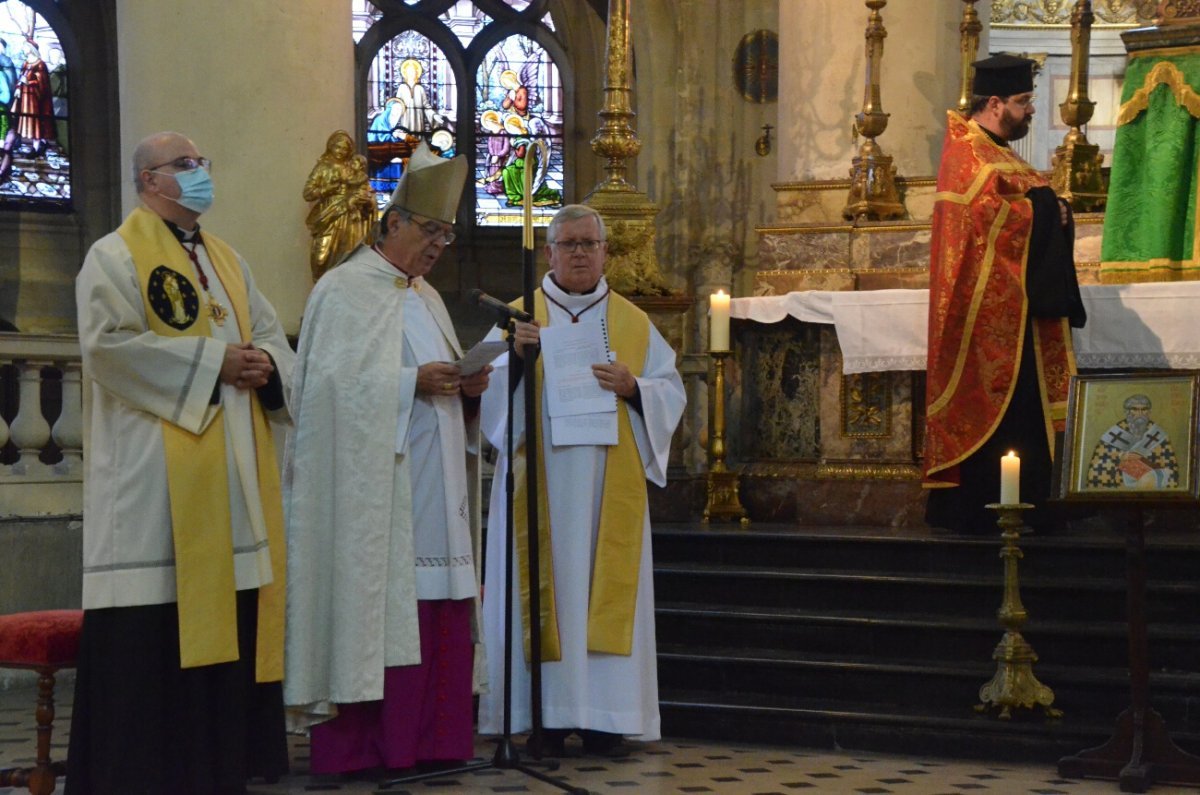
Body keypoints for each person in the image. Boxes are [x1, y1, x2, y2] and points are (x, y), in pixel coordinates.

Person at [67, 131, 293, 794]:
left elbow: (274, 338)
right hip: (152, 496)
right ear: (148, 180)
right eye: (185, 165)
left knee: (224, 641)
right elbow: (107, 349)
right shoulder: (112, 257)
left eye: (203, 163)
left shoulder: (227, 261)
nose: (200, 174)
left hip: (231, 485)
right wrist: (212, 362)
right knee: (152, 646)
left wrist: (265, 365)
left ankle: (216, 772)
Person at [283, 142, 489, 775]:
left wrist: (468, 389)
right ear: (393, 221)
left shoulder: (425, 297)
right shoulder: (344, 292)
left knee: (443, 602)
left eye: (447, 236)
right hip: (379, 495)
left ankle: (435, 740)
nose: (435, 246)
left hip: (438, 485)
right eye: (430, 230)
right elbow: (319, 396)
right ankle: (373, 745)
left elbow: (442, 383)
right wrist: (409, 384)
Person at [477, 204, 686, 756]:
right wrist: (518, 360)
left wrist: (635, 386)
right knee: (542, 589)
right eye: (567, 244)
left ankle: (603, 718)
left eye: (587, 244)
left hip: (603, 487)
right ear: (548, 253)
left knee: (599, 588)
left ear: (605, 252)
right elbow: (487, 399)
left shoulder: (633, 322)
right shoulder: (520, 317)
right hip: (538, 483)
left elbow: (671, 392)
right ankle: (538, 717)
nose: (577, 253)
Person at [923, 55, 1085, 534]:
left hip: (1024, 313)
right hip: (987, 318)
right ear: (994, 103)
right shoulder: (966, 154)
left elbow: (1025, 208)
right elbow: (985, 221)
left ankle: (1034, 502)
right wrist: (1042, 207)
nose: (1031, 111)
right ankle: (979, 508)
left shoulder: (999, 153)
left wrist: (1052, 209)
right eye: (1023, 102)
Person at [302, 130, 375, 281]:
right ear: (330, 147)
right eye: (338, 147)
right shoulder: (323, 167)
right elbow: (308, 193)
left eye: (345, 149)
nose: (341, 151)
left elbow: (367, 190)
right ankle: (322, 287)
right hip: (329, 216)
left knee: (349, 257)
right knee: (321, 258)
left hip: (351, 219)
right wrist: (328, 189)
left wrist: (367, 201)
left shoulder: (354, 167)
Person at [1086, 394, 1179, 490]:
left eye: (1144, 409)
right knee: (1101, 467)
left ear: (1149, 412)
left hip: (1148, 479)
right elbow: (1098, 462)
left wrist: (1145, 462)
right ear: (1126, 412)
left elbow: (1170, 465)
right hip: (1120, 478)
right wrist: (1120, 457)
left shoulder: (1158, 434)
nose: (1140, 413)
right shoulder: (1114, 434)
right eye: (1135, 409)